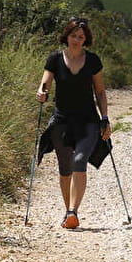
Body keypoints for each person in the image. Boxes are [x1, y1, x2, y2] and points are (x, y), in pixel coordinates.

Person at [36, 17, 112, 229]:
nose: (76, 40)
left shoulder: (93, 60)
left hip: (88, 121)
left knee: (79, 160)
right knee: (65, 168)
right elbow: (45, 84)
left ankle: (73, 212)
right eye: (73, 36)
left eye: (81, 37)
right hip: (62, 121)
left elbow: (100, 92)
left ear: (86, 39)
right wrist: (41, 93)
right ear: (66, 36)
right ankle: (68, 211)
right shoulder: (54, 59)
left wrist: (105, 118)